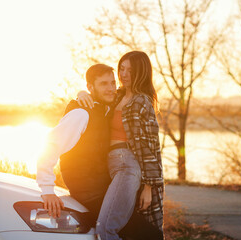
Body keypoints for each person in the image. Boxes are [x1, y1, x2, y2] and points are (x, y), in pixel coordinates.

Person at [37, 63, 163, 240]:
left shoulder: (105, 108)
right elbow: (50, 145)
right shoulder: (81, 113)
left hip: (104, 188)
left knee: (147, 233)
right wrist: (47, 189)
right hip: (90, 193)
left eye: (112, 82)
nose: (111, 88)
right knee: (147, 236)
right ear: (90, 87)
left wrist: (82, 93)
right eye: (104, 84)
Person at [77, 51, 164, 239]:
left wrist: (148, 187)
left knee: (106, 230)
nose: (124, 74)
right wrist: (82, 93)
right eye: (122, 69)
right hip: (109, 168)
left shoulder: (142, 102)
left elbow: (152, 147)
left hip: (127, 165)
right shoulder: (116, 96)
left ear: (141, 72)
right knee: (117, 228)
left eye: (130, 71)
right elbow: (96, 94)